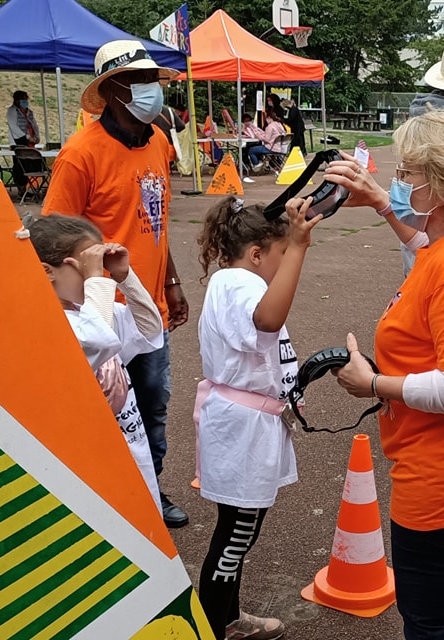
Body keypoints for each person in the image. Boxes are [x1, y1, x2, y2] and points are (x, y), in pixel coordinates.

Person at [323, 108, 444, 640]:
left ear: (441, 183)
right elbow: (425, 254)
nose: (400, 178)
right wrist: (386, 206)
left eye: (408, 172)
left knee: (429, 616)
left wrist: (370, 384)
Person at [43, 40, 191, 529]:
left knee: (152, 409)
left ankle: (150, 493)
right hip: (98, 317)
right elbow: (50, 241)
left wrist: (170, 281)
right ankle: (105, 500)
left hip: (147, 308)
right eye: (141, 81)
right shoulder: (79, 156)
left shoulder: (158, 142)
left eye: (154, 79)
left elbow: (158, 221)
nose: (152, 90)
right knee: (102, 412)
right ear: (113, 90)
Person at [194, 196, 321, 640]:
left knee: (237, 535)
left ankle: (227, 622)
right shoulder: (239, 283)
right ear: (256, 253)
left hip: (246, 428)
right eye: (281, 255)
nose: (284, 265)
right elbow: (268, 321)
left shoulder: (233, 283)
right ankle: (212, 629)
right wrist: (300, 247)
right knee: (233, 539)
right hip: (242, 433)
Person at [27, 215, 164, 508]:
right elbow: (97, 340)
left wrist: (124, 277)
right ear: (46, 271)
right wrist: (96, 282)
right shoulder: (51, 325)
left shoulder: (92, 312)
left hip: (131, 449)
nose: (96, 277)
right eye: (86, 268)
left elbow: (150, 328)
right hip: (92, 461)